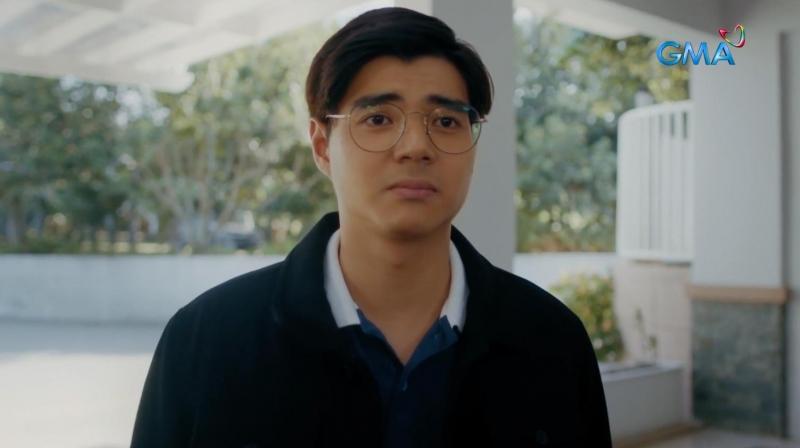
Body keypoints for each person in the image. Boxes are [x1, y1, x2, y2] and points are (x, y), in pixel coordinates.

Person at [131, 6, 612, 448]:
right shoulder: (207, 342)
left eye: (446, 121)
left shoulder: (551, 341)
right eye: (379, 118)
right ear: (322, 146)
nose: (416, 146)